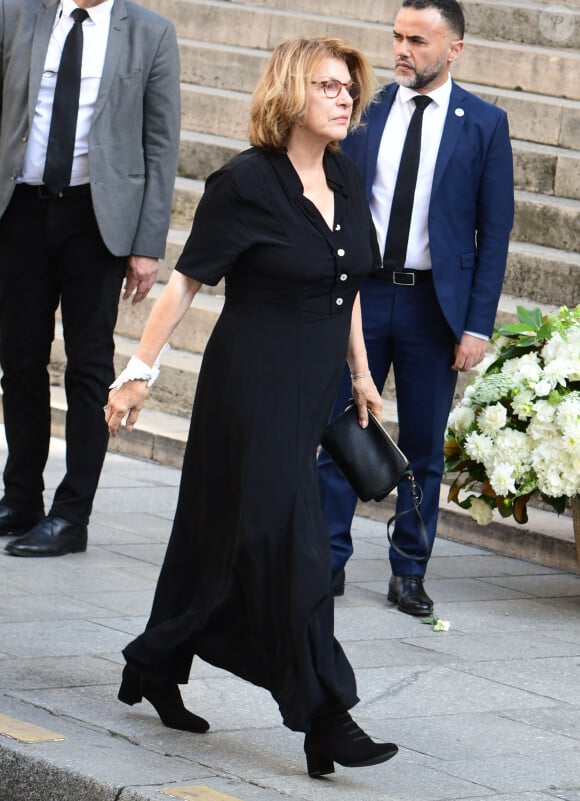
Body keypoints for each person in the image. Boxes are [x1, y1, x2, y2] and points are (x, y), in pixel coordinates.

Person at [105, 37, 399, 778]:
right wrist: (138, 370)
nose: (344, 99)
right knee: (298, 548)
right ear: (290, 93)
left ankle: (154, 660)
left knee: (217, 536)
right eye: (329, 86)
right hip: (250, 388)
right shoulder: (244, 182)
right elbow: (186, 283)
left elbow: (350, 282)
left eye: (349, 89)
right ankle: (326, 717)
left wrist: (362, 373)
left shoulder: (345, 174)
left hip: (312, 393)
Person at [318, 0, 514, 613]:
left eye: (419, 41)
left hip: (435, 307)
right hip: (363, 298)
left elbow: (495, 230)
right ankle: (326, 559)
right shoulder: (364, 108)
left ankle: (409, 569)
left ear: (454, 49)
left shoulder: (483, 122)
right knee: (343, 429)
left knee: (424, 447)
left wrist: (477, 325)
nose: (403, 50)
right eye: (398, 37)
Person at [0, 0, 180, 557]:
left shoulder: (151, 33)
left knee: (88, 367)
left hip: (97, 219)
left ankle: (72, 514)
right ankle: (20, 497)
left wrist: (148, 245)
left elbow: (160, 142)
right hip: (20, 209)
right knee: (20, 360)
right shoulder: (15, 13)